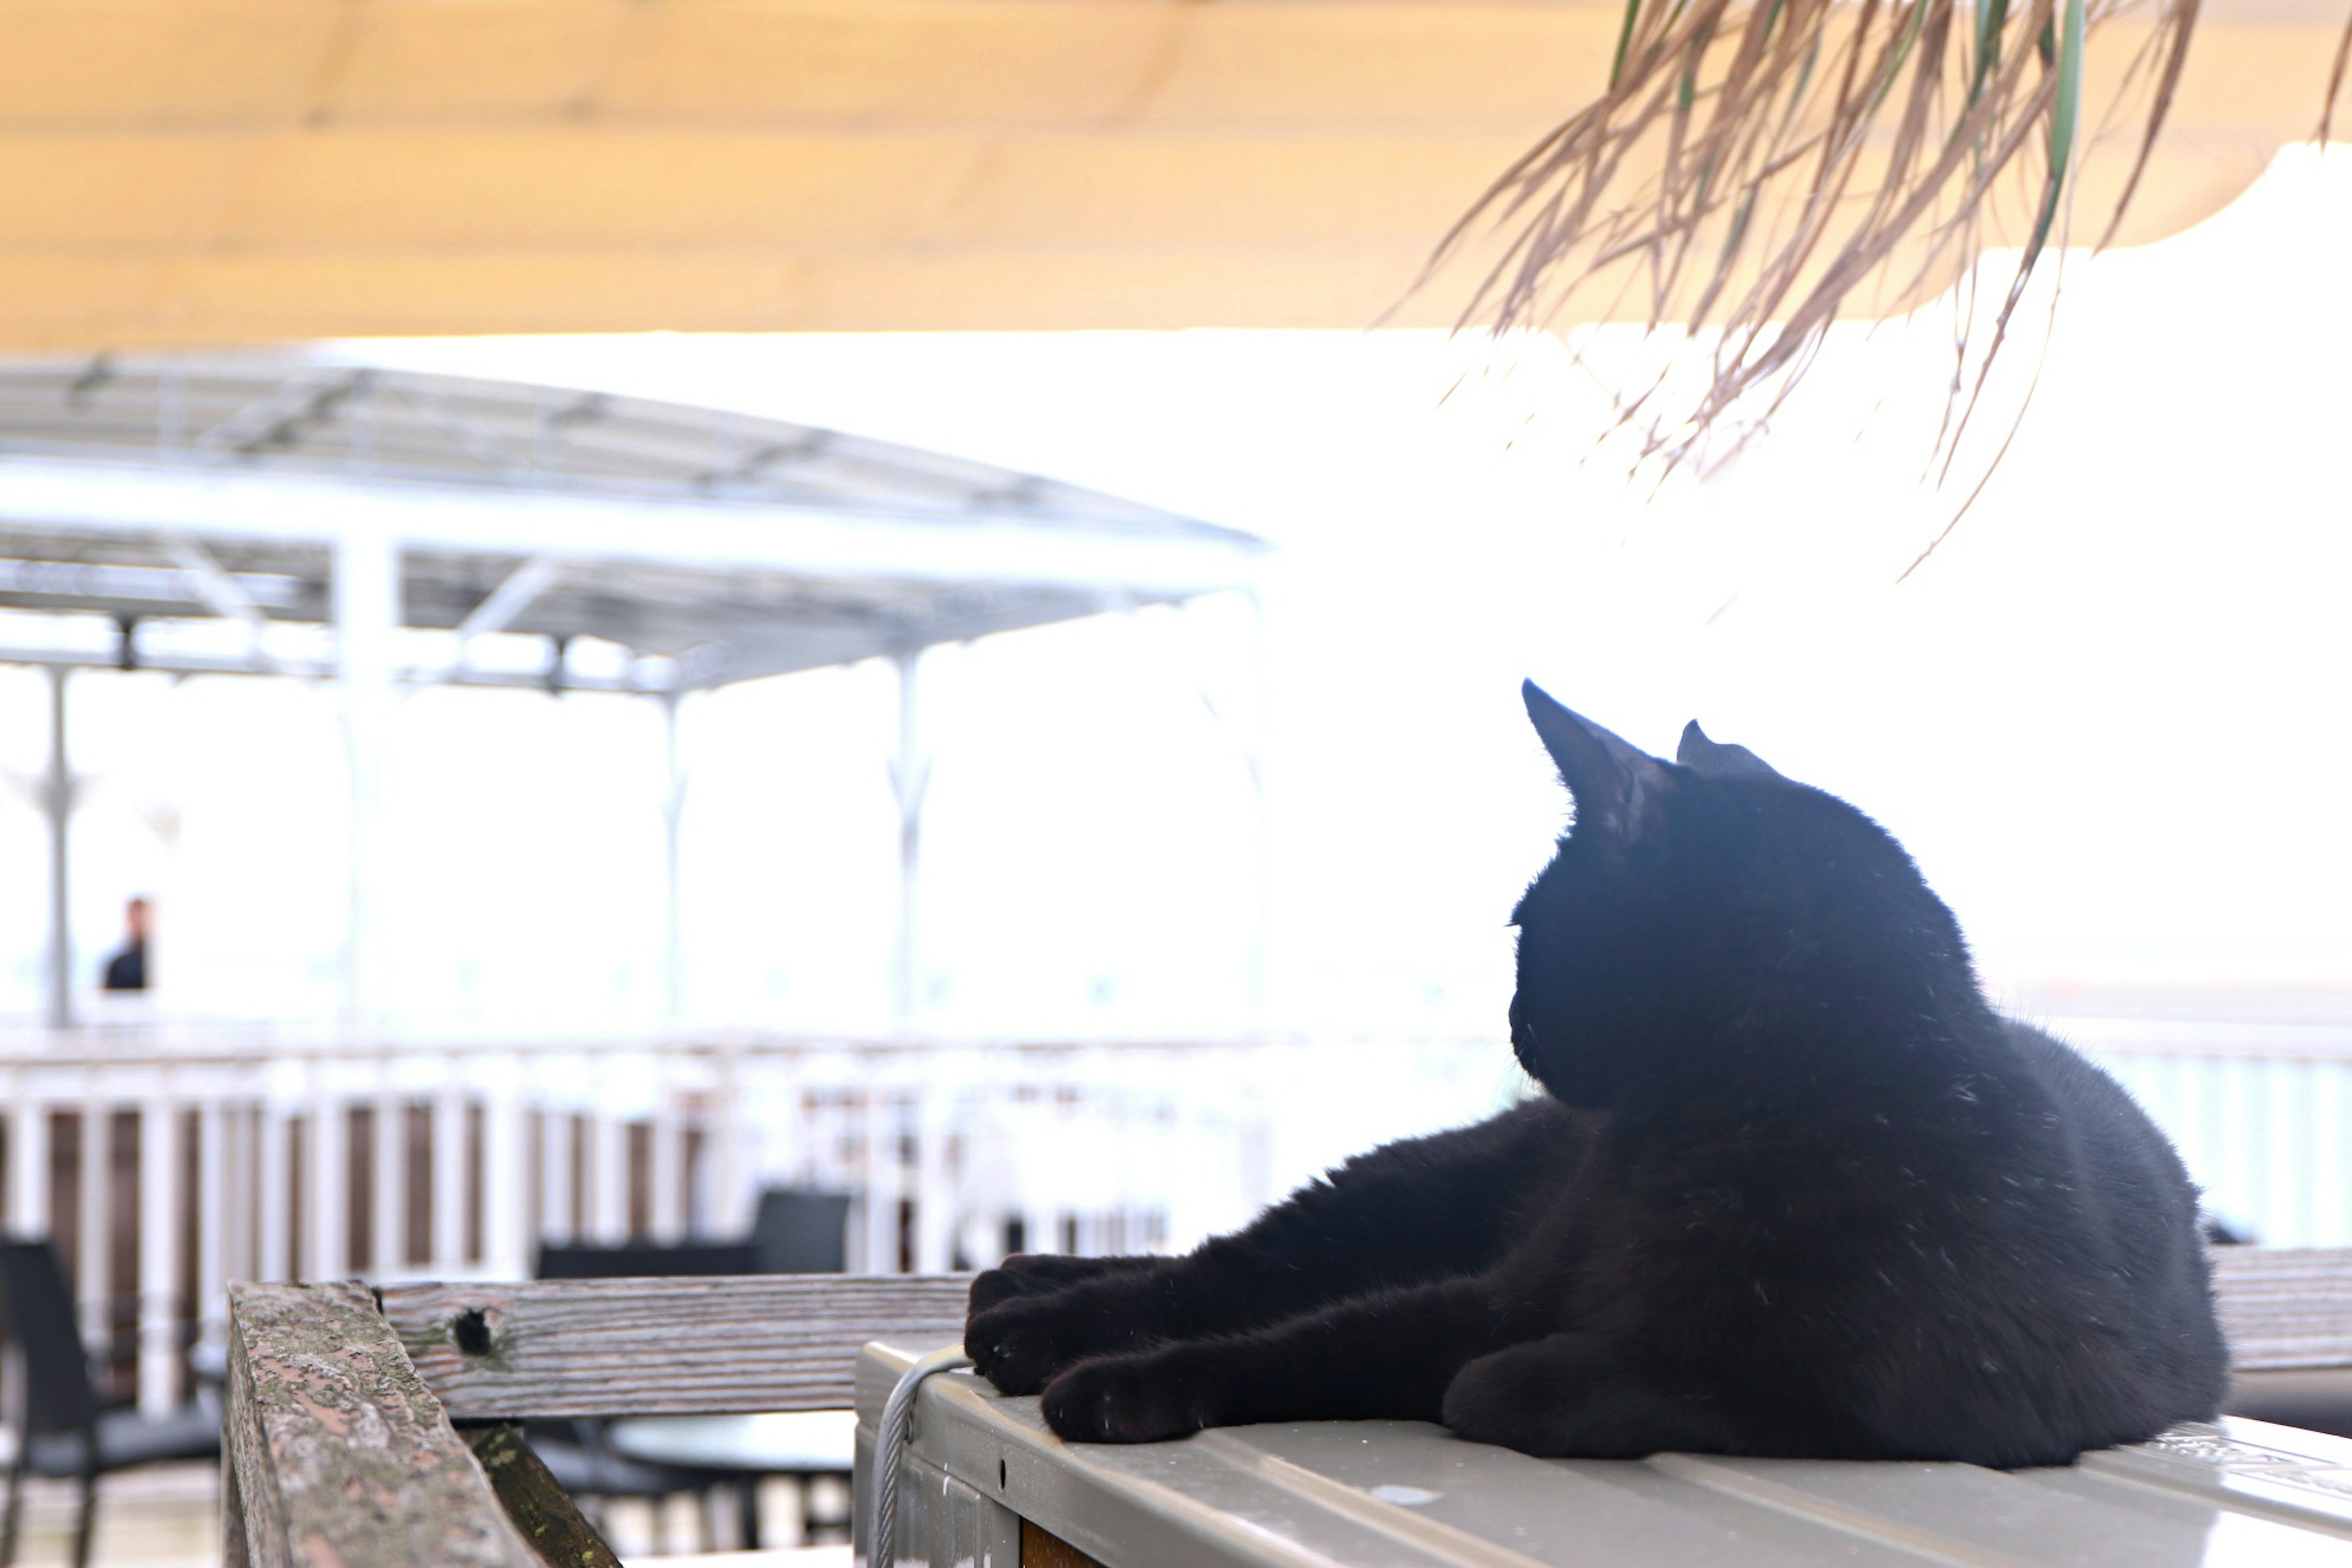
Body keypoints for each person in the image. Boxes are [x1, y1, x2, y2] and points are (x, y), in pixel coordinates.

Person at [100, 897, 149, 992]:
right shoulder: (119, 965)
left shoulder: (161, 963)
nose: (139, 922)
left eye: (142, 917)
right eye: (135, 917)